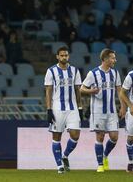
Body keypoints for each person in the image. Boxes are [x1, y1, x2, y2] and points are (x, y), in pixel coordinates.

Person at [81, 48, 125, 172]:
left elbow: (119, 90)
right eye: (112, 58)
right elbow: (81, 89)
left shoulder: (115, 73)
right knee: (100, 137)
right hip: (97, 111)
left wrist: (122, 106)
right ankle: (100, 164)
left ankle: (105, 155)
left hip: (111, 111)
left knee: (114, 137)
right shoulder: (93, 73)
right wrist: (91, 91)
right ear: (105, 59)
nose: (115, 60)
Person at [44, 46, 83, 174]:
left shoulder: (75, 71)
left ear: (68, 56)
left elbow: (78, 90)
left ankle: (65, 155)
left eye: (66, 55)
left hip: (72, 108)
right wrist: (49, 109)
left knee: (75, 135)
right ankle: (59, 166)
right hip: (57, 108)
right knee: (57, 137)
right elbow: (48, 91)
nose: (64, 57)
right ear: (57, 57)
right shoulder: (51, 71)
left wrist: (80, 107)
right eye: (62, 55)